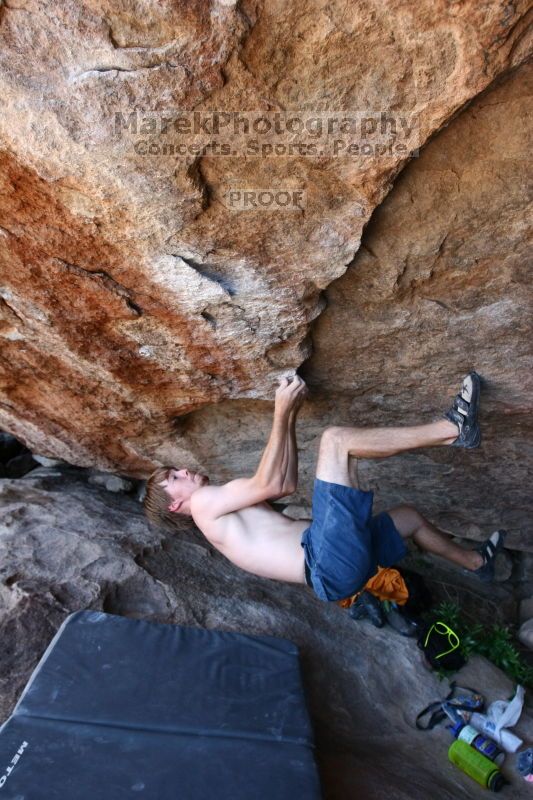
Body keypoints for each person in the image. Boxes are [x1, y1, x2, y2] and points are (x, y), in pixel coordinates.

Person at [144, 372, 506, 602]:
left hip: (334, 570)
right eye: (173, 479)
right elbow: (268, 481)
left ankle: (475, 563)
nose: (184, 471)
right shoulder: (206, 504)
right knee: (335, 440)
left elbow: (282, 486)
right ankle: (453, 429)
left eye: (176, 469)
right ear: (174, 506)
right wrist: (281, 410)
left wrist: (291, 414)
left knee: (408, 519)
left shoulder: (219, 514)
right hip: (326, 559)